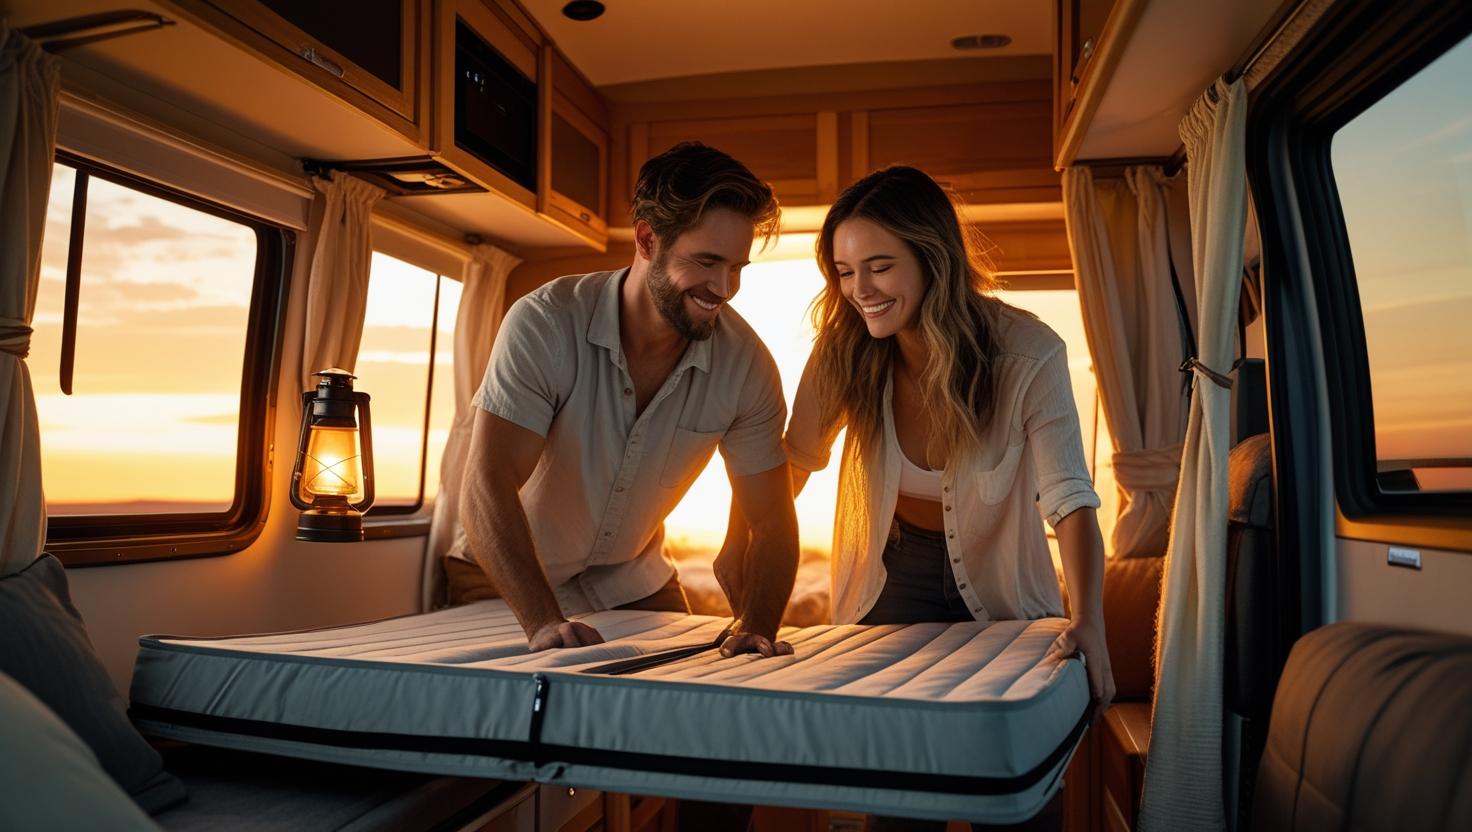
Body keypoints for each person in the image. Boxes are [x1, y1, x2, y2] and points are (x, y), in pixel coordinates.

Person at [725, 166, 1114, 829]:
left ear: (933, 259)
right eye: (845, 272)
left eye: (879, 267)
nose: (860, 291)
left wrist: (1093, 622)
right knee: (899, 788)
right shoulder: (846, 348)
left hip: (1003, 585)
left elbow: (1070, 497)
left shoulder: (1027, 353)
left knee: (1018, 790)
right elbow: (790, 466)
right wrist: (747, 561)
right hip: (893, 578)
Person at [453, 142, 798, 660]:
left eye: (737, 268)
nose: (724, 288)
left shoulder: (748, 365)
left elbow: (772, 520)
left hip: (633, 577)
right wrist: (545, 622)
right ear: (646, 239)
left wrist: (757, 625)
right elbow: (486, 484)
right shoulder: (545, 323)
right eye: (706, 262)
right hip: (508, 572)